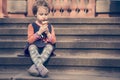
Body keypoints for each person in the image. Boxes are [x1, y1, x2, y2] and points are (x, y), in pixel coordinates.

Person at [24, 0, 56, 77]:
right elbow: (30, 40)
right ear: (35, 14)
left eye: (46, 14)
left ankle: (34, 67)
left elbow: (54, 41)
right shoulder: (31, 26)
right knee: (31, 47)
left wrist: (48, 33)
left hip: (45, 45)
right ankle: (41, 68)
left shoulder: (50, 26)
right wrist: (39, 32)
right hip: (35, 45)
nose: (44, 16)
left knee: (50, 47)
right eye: (41, 14)